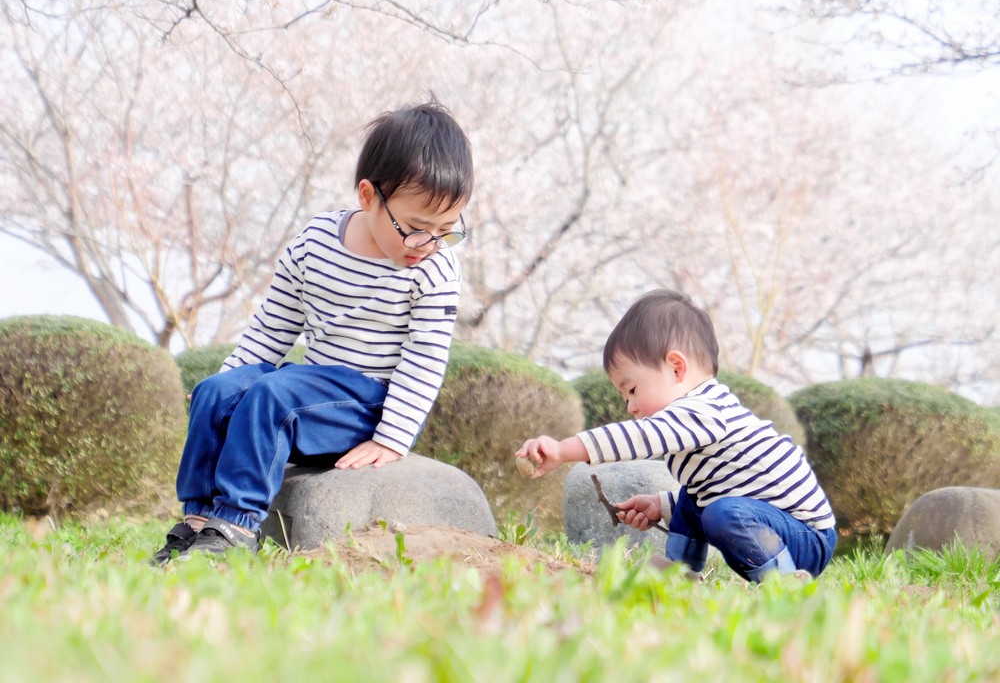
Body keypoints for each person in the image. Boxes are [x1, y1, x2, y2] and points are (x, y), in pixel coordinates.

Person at [151, 101, 473, 564]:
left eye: (447, 230)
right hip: (315, 386)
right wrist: (231, 379)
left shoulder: (436, 269)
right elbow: (273, 324)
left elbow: (424, 360)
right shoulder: (315, 241)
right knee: (215, 392)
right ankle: (198, 521)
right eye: (417, 228)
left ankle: (235, 528)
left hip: (370, 402)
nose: (431, 244)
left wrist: (392, 437)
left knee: (274, 397)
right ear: (368, 196)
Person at [517, 289, 837, 582]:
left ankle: (784, 584)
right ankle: (679, 573)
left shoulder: (702, 409)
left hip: (806, 536)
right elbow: (714, 488)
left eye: (632, 390)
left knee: (721, 513)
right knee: (693, 496)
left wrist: (563, 450)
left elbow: (638, 438)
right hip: (770, 520)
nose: (630, 407)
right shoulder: (699, 416)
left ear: (675, 368)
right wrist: (662, 505)